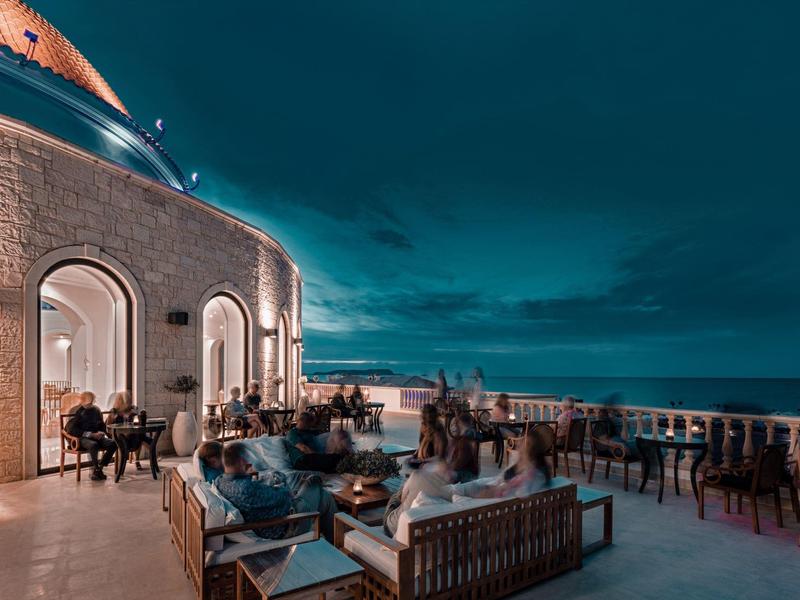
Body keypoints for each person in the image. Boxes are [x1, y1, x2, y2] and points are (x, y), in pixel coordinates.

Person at [215, 442, 338, 541]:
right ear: (242, 461)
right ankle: (339, 541)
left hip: (274, 517)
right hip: (288, 524)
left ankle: (335, 542)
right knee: (313, 481)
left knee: (324, 497)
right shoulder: (246, 490)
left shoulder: (220, 481)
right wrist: (279, 479)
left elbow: (263, 494)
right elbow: (285, 496)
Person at [461, 425, 552, 499]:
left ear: (532, 450)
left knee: (463, 490)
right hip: (495, 488)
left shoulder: (532, 473)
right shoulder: (522, 463)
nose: (519, 444)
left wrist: (500, 486)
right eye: (522, 441)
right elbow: (502, 478)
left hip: (497, 502)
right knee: (469, 486)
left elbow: (520, 492)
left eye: (525, 444)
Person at [66, 391, 117, 480]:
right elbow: (72, 430)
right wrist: (91, 435)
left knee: (113, 443)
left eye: (93, 401)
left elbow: (101, 424)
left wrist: (102, 432)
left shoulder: (96, 410)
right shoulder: (77, 411)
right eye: (92, 400)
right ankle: (96, 469)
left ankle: (99, 468)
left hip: (96, 436)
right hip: (81, 438)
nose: (94, 402)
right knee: (93, 445)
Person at [286, 412, 350, 473]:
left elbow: (323, 435)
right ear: (305, 422)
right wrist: (320, 456)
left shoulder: (307, 431)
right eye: (309, 424)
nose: (310, 427)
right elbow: (303, 448)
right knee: (337, 459)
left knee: (337, 459)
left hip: (311, 458)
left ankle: (343, 465)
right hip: (302, 459)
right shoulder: (292, 433)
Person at [106, 390, 144, 470]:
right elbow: (108, 426)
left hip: (130, 434)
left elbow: (137, 422)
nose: (129, 402)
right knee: (123, 440)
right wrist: (113, 417)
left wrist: (134, 413)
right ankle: (121, 464)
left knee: (139, 436)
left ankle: (137, 460)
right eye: (127, 400)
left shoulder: (131, 411)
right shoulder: (114, 411)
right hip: (117, 435)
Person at [448, 413, 480, 483]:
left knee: (445, 477)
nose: (453, 427)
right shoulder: (465, 437)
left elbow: (461, 462)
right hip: (468, 472)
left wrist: (448, 468)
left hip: (467, 474)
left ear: (460, 423)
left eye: (455, 424)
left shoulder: (465, 440)